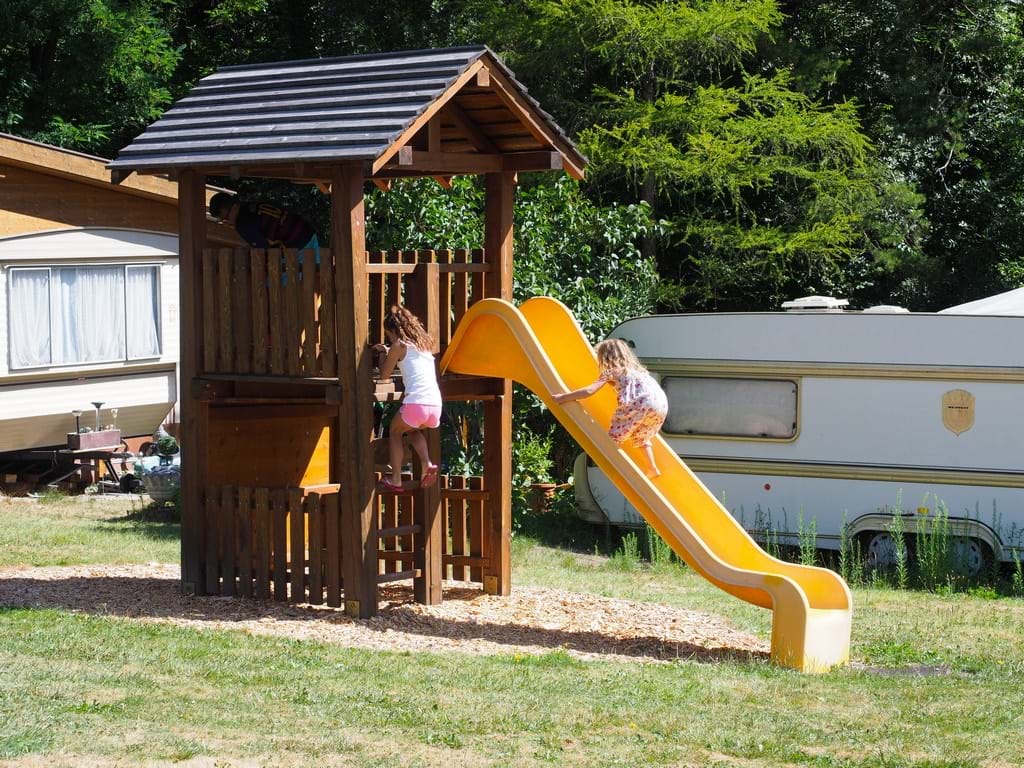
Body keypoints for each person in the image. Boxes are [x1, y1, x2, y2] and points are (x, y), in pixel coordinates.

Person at [552, 338, 668, 478]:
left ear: (605, 358)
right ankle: (652, 468)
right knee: (641, 437)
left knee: (613, 439)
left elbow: (589, 391)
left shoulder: (612, 372)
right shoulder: (639, 373)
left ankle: (619, 466)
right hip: (660, 406)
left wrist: (563, 397)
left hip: (641, 403)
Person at [375, 306, 442, 490]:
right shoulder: (424, 345)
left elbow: (384, 375)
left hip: (417, 404)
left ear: (395, 331)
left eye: (389, 334)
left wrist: (383, 353)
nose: (390, 339)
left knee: (395, 431)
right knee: (412, 429)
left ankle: (396, 479)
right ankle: (427, 463)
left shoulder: (399, 345)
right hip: (435, 405)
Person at [209, 192, 319, 255]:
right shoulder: (250, 205)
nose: (228, 222)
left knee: (276, 284)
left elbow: (264, 252)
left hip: (299, 245)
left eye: (226, 218)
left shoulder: (243, 224)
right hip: (307, 231)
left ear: (232, 209)